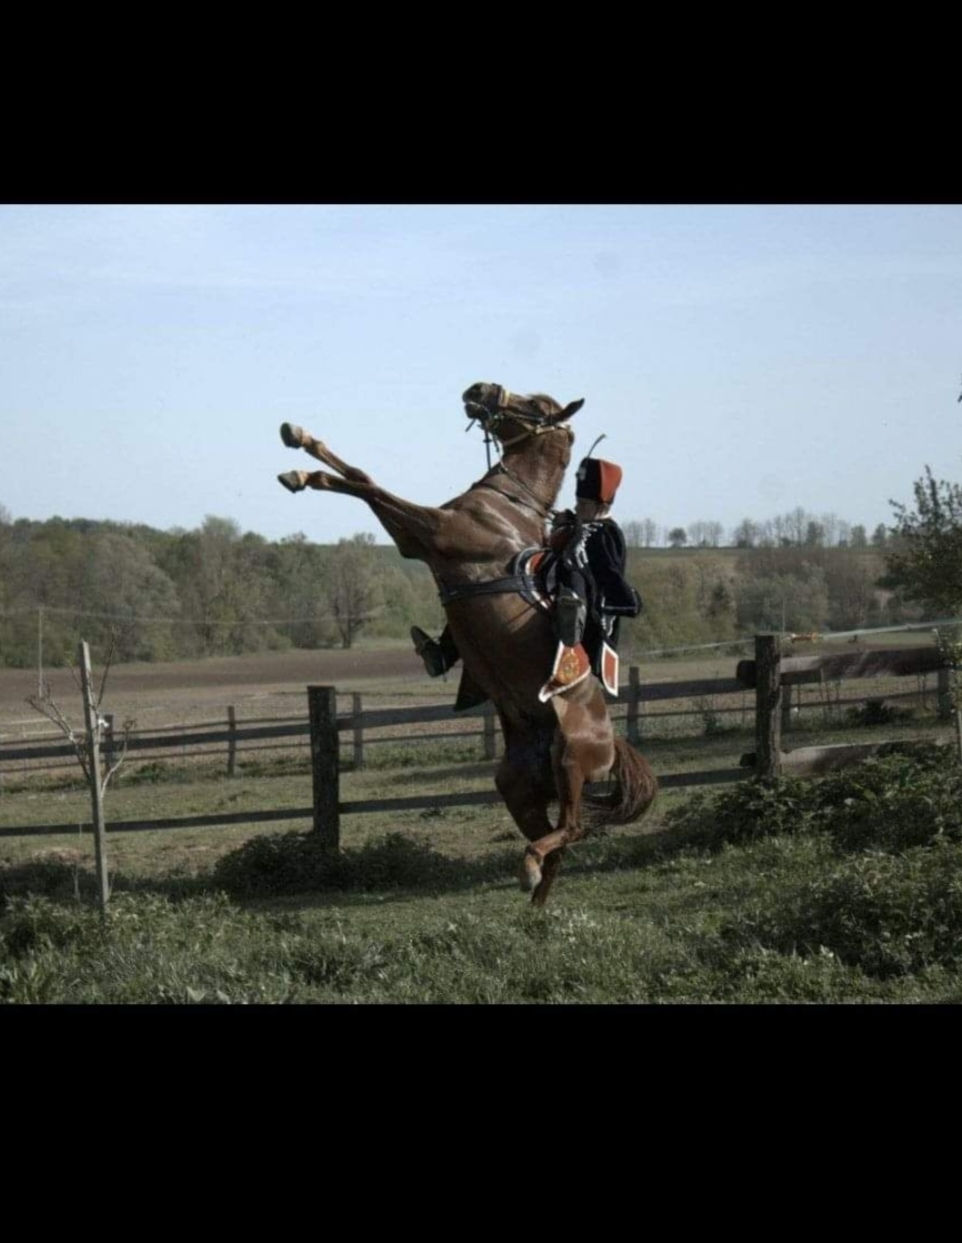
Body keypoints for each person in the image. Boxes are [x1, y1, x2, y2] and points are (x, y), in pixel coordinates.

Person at [410, 453, 641, 681]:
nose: (577, 507)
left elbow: (607, 573)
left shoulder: (607, 533)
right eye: (577, 502)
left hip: (578, 595)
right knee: (487, 587)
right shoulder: (577, 522)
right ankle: (444, 654)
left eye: (583, 504)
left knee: (573, 571)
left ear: (600, 506)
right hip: (544, 580)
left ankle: (572, 621)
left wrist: (630, 599)